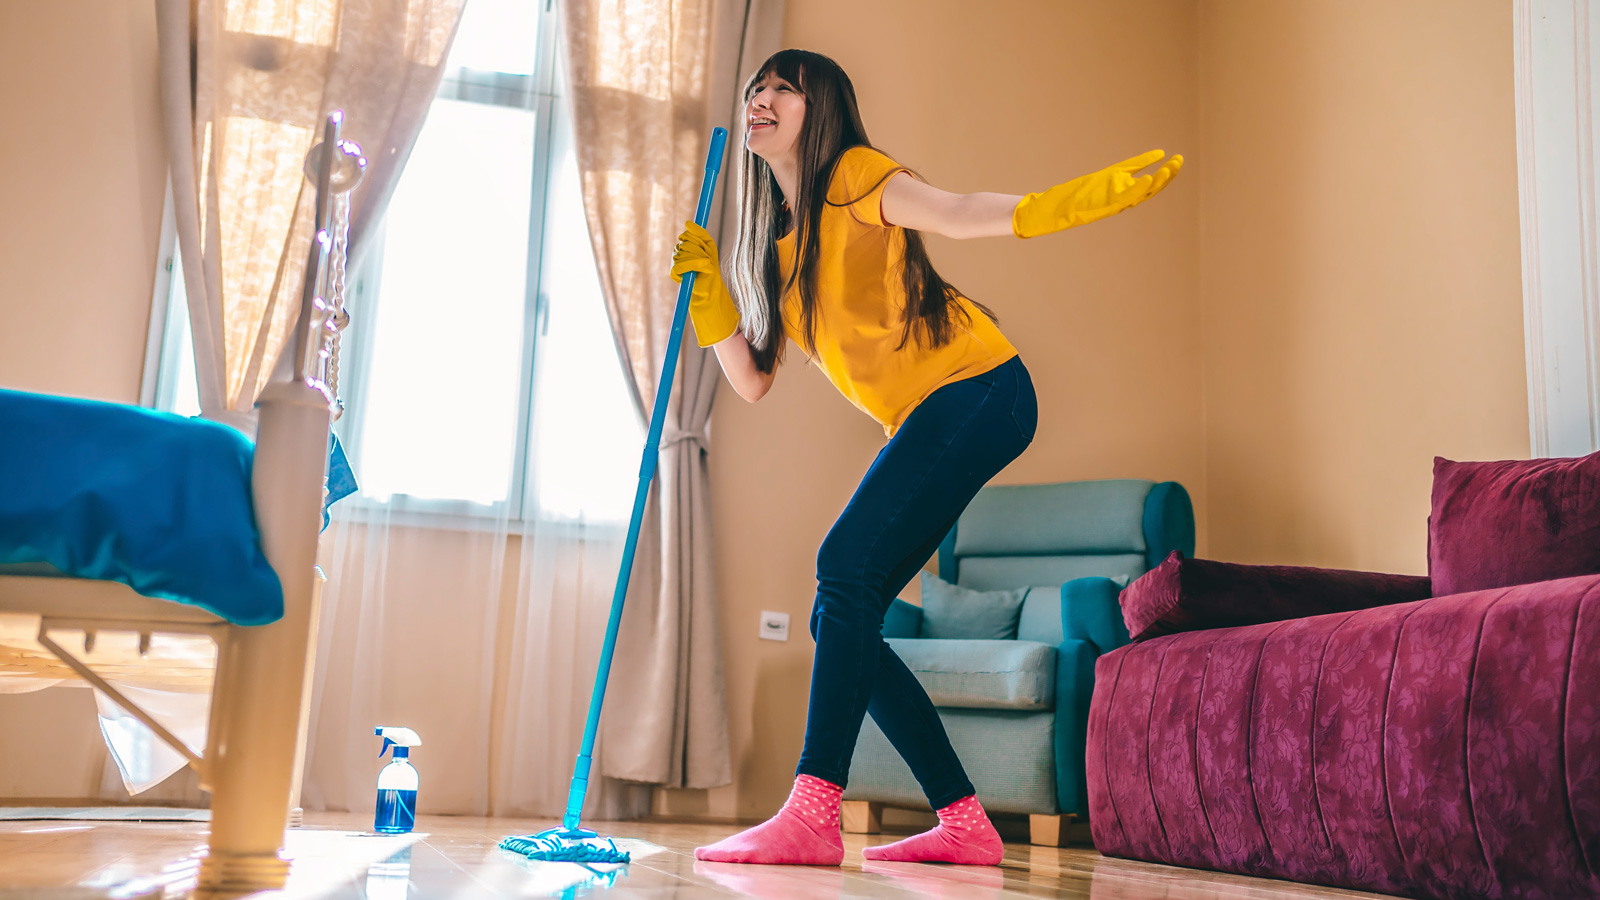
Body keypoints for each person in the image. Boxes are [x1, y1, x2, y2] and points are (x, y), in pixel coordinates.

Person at [671, 48, 1182, 867]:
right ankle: (964, 821)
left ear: (821, 105)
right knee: (843, 610)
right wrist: (711, 296)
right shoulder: (777, 252)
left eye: (782, 87)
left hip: (981, 386)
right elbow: (753, 379)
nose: (760, 97)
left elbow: (956, 210)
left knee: (841, 566)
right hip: (937, 411)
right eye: (754, 86)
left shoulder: (855, 176)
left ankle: (812, 810)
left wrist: (1057, 206)